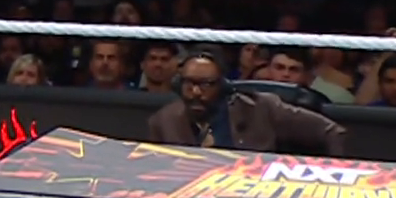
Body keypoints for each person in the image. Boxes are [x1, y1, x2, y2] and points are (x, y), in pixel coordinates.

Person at [147, 46, 346, 154]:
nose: (196, 92)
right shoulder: (163, 122)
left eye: (206, 84)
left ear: (223, 86)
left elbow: (332, 132)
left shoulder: (262, 108)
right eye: (189, 84)